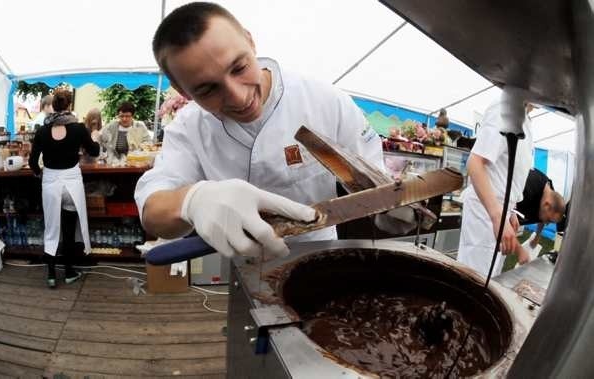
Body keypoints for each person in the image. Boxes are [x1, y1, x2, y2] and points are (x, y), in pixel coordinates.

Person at [134, 2, 384, 259]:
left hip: (322, 255)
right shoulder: (189, 128)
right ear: (182, 91)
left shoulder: (324, 102)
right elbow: (152, 210)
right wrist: (193, 201)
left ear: (250, 41)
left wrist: (389, 209)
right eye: (208, 90)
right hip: (243, 259)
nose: (239, 98)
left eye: (239, 68)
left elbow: (373, 184)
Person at [29, 89, 100, 288]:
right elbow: (94, 151)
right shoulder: (78, 128)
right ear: (69, 105)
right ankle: (69, 272)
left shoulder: (42, 131)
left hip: (51, 182)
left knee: (51, 230)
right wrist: (92, 137)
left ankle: (51, 274)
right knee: (69, 230)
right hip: (72, 183)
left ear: (52, 106)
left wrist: (39, 173)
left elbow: (33, 162)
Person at [457, 100, 535, 277]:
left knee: (491, 277)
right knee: (477, 278)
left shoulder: (525, 121)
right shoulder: (504, 110)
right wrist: (497, 216)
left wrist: (511, 209)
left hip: (500, 210)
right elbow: (475, 162)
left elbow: (504, 171)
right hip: (485, 212)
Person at [514, 168, 566, 255]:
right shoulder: (527, 188)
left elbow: (542, 219)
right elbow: (503, 216)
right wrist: (520, 251)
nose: (547, 223)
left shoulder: (549, 193)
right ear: (547, 205)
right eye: (549, 220)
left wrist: (538, 235)